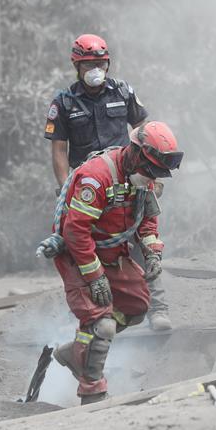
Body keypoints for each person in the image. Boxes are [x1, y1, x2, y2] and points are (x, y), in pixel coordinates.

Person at [38, 121, 183, 404]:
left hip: (114, 254)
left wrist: (153, 252)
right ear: (136, 153)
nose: (152, 177)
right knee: (102, 324)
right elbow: (75, 231)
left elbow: (148, 222)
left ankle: (76, 353)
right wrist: (94, 276)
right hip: (79, 256)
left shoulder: (145, 177)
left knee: (137, 306)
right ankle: (93, 392)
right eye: (150, 169)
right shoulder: (97, 176)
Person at [44, 34, 172, 331]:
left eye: (101, 63)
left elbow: (144, 129)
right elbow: (59, 149)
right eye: (89, 63)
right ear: (77, 65)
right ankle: (98, 314)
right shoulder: (63, 102)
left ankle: (158, 308)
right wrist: (66, 188)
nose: (96, 69)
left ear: (108, 63)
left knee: (143, 237)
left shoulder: (123, 92)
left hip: (128, 177)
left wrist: (149, 173)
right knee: (87, 245)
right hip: (91, 184)